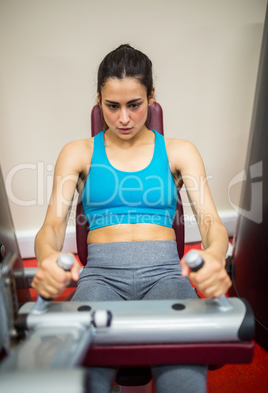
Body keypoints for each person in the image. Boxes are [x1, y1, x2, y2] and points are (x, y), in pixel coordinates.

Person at [32, 44, 231, 392]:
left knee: (184, 381)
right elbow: (51, 226)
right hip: (100, 280)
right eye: (112, 106)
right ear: (98, 100)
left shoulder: (180, 151)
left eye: (134, 105)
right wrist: (47, 259)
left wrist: (215, 258)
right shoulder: (77, 153)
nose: (124, 118)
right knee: (77, 379)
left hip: (166, 276)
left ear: (152, 97)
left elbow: (212, 223)